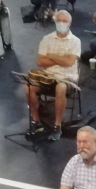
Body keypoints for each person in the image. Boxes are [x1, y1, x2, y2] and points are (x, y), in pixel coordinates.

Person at [25, 10, 81, 140]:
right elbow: (40, 61)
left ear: (70, 23)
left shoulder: (75, 41)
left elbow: (69, 62)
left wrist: (50, 56)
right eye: (59, 21)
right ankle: (36, 121)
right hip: (48, 77)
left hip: (68, 78)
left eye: (64, 21)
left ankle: (57, 126)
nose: (61, 23)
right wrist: (61, 59)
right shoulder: (47, 39)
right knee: (28, 88)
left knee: (60, 87)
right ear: (55, 22)